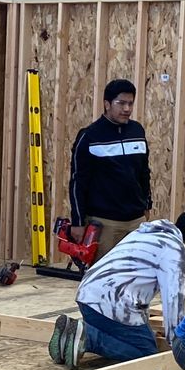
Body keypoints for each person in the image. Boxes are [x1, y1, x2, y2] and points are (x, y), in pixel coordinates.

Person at [49, 212, 185, 369]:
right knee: (146, 353)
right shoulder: (175, 250)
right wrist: (178, 343)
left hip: (87, 297)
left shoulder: (145, 233)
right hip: (112, 305)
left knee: (137, 336)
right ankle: (88, 337)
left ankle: (70, 334)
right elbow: (173, 299)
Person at [68, 78, 150, 256]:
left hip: (136, 221)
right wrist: (78, 221)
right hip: (105, 224)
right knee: (102, 272)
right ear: (107, 104)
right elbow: (78, 182)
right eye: (121, 103)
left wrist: (147, 205)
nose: (127, 109)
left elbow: (144, 172)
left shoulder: (137, 131)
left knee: (135, 271)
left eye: (130, 103)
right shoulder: (89, 136)